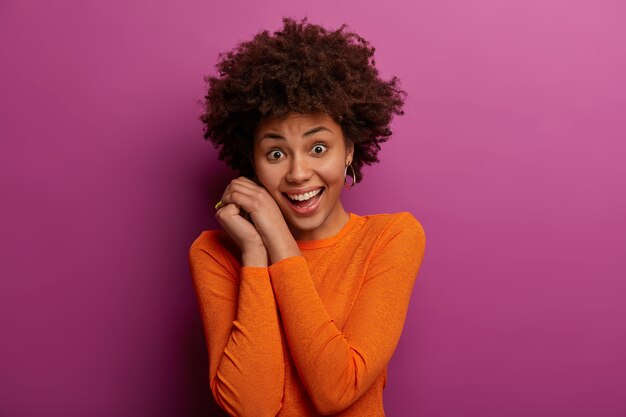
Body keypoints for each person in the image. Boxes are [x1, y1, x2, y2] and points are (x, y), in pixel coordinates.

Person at [189, 17, 426, 417]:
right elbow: (253, 408)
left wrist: (279, 242)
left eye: (318, 148)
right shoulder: (214, 252)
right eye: (276, 153)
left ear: (349, 150)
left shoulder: (392, 237)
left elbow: (337, 389)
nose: (298, 173)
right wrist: (253, 251)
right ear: (253, 162)